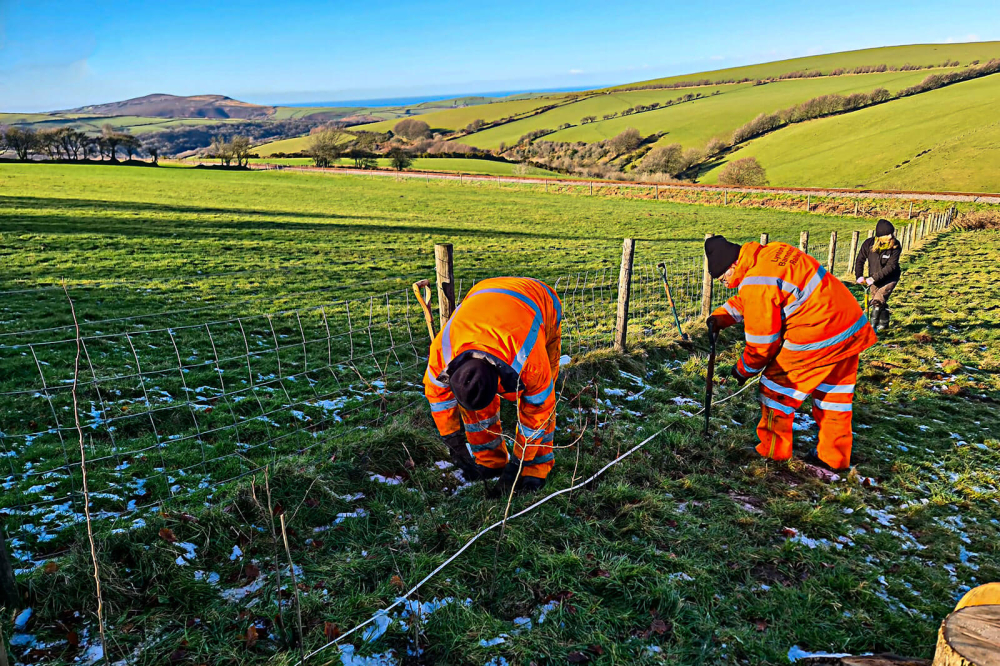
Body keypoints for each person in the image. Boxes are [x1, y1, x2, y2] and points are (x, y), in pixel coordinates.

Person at [705, 235, 877, 472]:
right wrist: (721, 317)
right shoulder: (772, 254)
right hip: (848, 327)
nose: (725, 283)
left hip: (817, 335)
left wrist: (743, 370)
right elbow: (757, 297)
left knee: (776, 389)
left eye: (723, 278)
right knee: (834, 397)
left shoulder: (756, 281)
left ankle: (772, 453)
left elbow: (762, 344)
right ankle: (833, 457)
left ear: (733, 265)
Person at [423, 277, 561, 495]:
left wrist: (518, 464)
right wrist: (453, 442)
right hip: (484, 292)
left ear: (500, 384)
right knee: (477, 400)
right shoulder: (442, 352)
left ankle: (535, 470)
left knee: (542, 401)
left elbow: (538, 413)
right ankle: (490, 461)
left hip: (541, 299)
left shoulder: (530, 362)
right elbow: (437, 397)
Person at [853, 219, 901, 333]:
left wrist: (873, 279)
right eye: (887, 234)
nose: (890, 236)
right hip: (873, 278)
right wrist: (859, 276)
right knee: (879, 302)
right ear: (880, 235)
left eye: (891, 233)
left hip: (890, 278)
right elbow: (860, 260)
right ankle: (884, 324)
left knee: (877, 302)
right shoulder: (868, 244)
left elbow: (891, 267)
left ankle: (872, 329)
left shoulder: (896, 246)